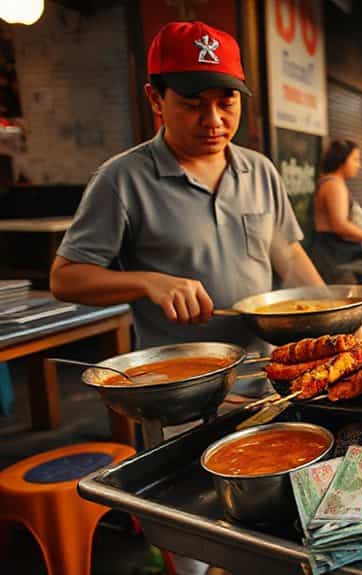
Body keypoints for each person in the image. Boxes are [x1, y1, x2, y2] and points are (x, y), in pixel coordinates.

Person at [50, 21, 324, 349]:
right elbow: (65, 279)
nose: (213, 120)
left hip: (265, 374)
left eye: (226, 102)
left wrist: (342, 324)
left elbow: (289, 256)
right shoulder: (122, 179)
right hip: (178, 383)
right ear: (155, 99)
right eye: (192, 105)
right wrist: (148, 282)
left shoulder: (260, 170)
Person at [308, 139, 362, 281]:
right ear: (341, 160)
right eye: (355, 159)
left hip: (333, 253)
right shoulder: (334, 185)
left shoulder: (330, 182)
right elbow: (340, 225)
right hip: (333, 256)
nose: (358, 165)